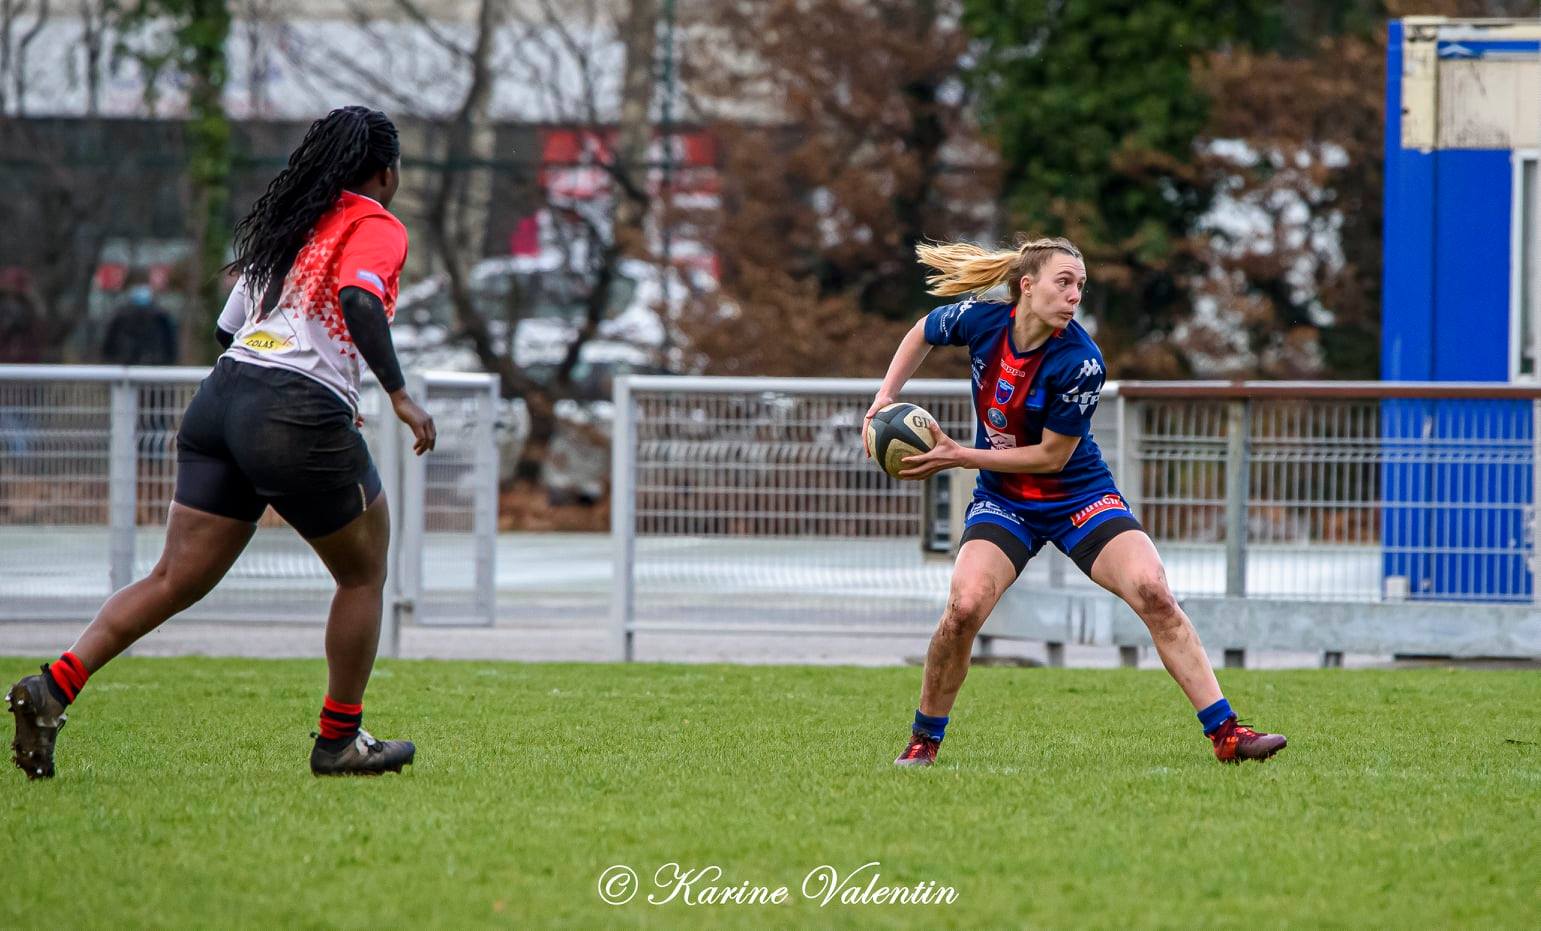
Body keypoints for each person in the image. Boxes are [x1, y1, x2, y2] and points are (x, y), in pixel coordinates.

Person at [7, 106, 437, 780]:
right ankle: (339, 741)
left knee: (172, 577)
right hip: (292, 408)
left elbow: (224, 328)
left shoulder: (289, 223)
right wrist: (399, 395)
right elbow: (357, 298)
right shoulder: (375, 223)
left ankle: (55, 684)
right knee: (362, 571)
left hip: (222, 397)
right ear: (385, 172)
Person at [866, 235, 1286, 767]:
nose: (1074, 296)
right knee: (963, 609)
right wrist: (884, 397)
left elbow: (1050, 459)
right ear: (1026, 287)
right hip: (1005, 504)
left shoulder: (1081, 361)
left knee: (1153, 591)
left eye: (1080, 286)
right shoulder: (983, 319)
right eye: (1063, 283)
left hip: (1077, 496)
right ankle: (923, 741)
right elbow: (923, 330)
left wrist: (959, 455)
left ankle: (1228, 734)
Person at [101, 274, 178, 365]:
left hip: (129, 364)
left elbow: (108, 345)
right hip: (146, 365)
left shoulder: (121, 315)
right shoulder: (161, 316)